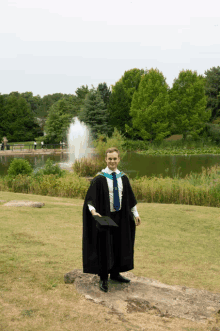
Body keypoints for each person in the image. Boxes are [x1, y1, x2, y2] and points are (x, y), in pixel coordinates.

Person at [82, 147, 141, 292]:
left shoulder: (123, 178)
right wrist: (94, 211)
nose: (112, 161)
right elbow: (90, 199)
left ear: (119, 159)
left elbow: (130, 199)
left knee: (119, 245)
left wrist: (136, 214)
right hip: (105, 218)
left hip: (120, 217)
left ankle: (115, 273)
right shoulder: (99, 178)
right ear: (105, 160)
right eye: (110, 159)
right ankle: (103, 277)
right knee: (104, 246)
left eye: (115, 159)